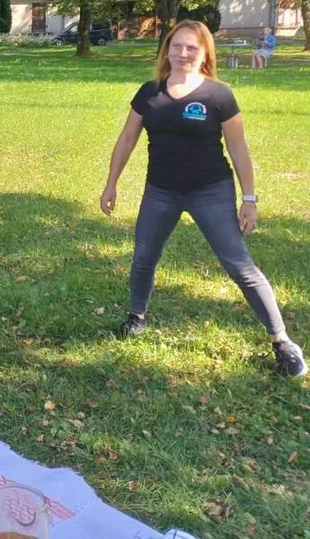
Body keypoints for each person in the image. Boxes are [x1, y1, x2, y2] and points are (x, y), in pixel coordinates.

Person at [100, 19, 306, 377]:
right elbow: (127, 139)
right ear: (167, 49)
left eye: (191, 47)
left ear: (204, 52)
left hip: (211, 190)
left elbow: (238, 148)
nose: (183, 54)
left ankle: (282, 340)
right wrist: (111, 184)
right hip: (160, 191)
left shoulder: (218, 95)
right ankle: (137, 316)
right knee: (144, 256)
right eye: (177, 46)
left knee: (239, 264)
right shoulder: (149, 92)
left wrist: (249, 198)